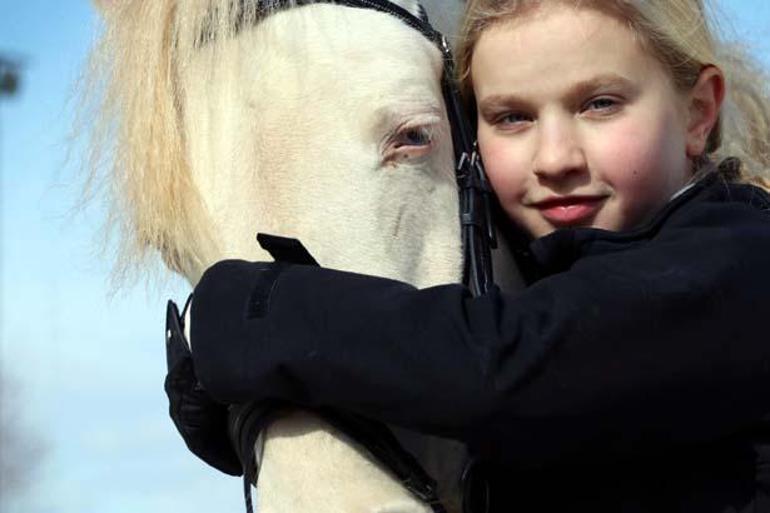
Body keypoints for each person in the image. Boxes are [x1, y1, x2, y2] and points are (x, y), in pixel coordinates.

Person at [166, 0, 770, 510]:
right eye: (512, 117)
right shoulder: (552, 289)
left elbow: (505, 368)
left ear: (697, 112)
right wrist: (240, 411)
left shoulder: (742, 259)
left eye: (599, 104)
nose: (555, 157)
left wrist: (254, 307)